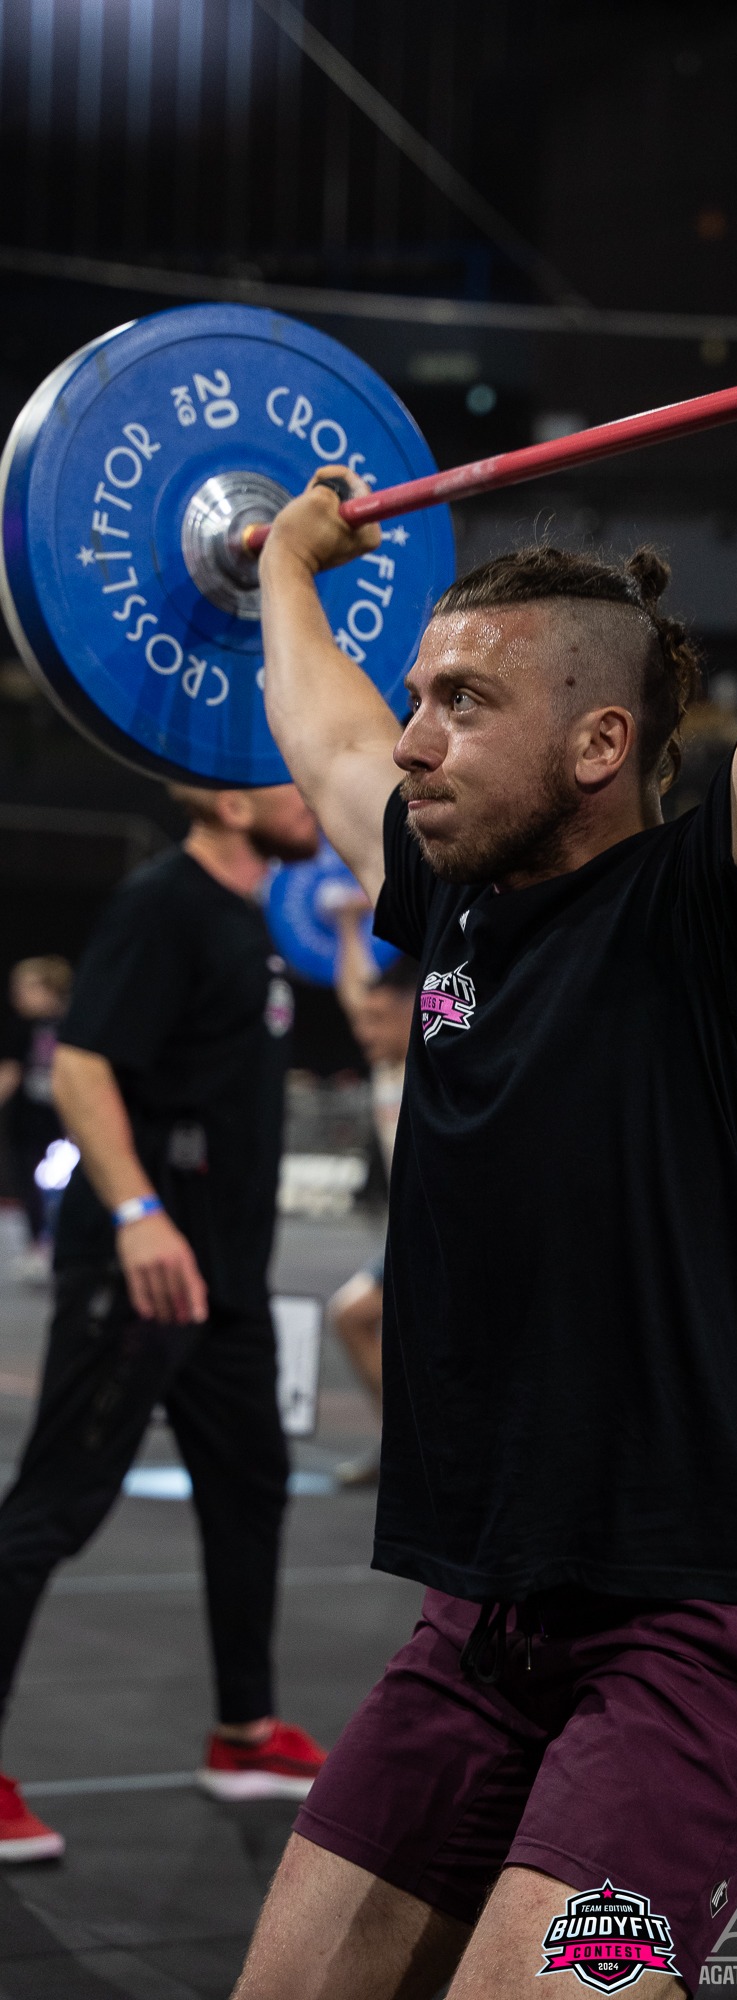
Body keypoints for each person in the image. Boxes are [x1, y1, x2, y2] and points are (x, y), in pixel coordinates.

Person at [233, 396, 737, 1999]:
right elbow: (321, 737)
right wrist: (282, 572)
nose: (413, 739)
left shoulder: (713, 907)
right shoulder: (448, 895)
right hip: (494, 1613)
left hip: (706, 1615)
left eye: (462, 701)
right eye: (420, 697)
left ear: (601, 743)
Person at [0, 785, 330, 1865]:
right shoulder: (164, 901)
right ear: (232, 795)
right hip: (145, 1264)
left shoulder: (253, 920)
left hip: (225, 1279)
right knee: (53, 1505)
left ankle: (243, 1729)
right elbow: (86, 1062)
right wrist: (138, 1215)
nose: (315, 796)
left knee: (252, 1488)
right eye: (289, 776)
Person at [327, 906, 417, 1488]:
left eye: (377, 1021)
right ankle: (402, 1448)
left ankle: (418, 1453)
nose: (364, 1031)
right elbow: (357, 990)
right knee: (352, 1317)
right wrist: (346, 929)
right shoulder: (385, 1066)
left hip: (449, 1233)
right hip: (408, 1233)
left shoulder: (434, 1063)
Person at [0, 956, 72, 1282]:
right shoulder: (20, 1027)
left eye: (26, 988)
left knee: (72, 1183)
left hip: (69, 1117)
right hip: (29, 1119)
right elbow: (11, 1071)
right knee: (30, 1181)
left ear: (51, 989)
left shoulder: (75, 1022)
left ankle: (67, 1241)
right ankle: (39, 1243)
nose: (17, 996)